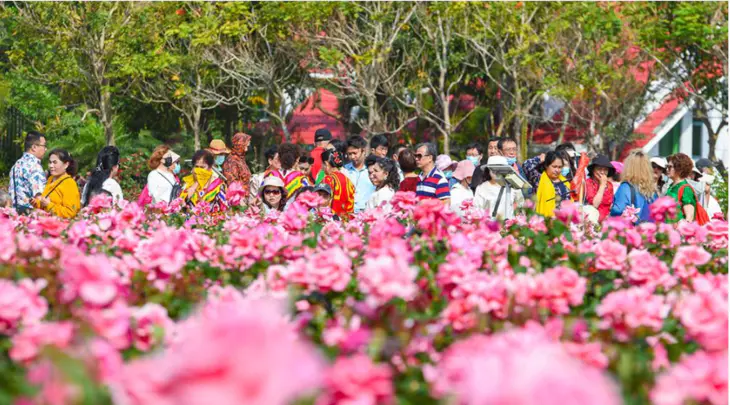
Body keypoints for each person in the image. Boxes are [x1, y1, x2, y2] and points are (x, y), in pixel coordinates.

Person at [610, 150, 657, 223]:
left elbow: (618, 211)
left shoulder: (625, 187)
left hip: (633, 228)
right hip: (651, 228)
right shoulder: (653, 190)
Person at [32, 149, 80, 219]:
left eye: (55, 162)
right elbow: (45, 202)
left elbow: (70, 213)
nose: (51, 166)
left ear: (66, 165)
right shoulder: (50, 179)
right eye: (50, 162)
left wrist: (49, 205)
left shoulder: (69, 183)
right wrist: (37, 203)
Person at [474, 156, 525, 220]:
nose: (496, 172)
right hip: (490, 224)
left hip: (509, 225)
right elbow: (477, 210)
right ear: (488, 170)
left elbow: (521, 206)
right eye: (493, 169)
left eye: (499, 168)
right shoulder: (481, 188)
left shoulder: (513, 186)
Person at [8, 131, 47, 214]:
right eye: (44, 146)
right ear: (34, 147)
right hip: (30, 215)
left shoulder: (16, 165)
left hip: (14, 214)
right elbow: (40, 197)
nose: (46, 149)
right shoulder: (35, 166)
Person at [535, 151, 572, 217]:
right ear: (546, 165)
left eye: (560, 167)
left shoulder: (565, 182)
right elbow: (527, 164)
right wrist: (539, 158)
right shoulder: (538, 179)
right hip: (550, 219)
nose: (557, 170)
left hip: (566, 218)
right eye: (554, 167)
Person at [343, 135, 375, 213]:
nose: (352, 157)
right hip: (348, 213)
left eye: (355, 153)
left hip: (367, 213)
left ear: (363, 151)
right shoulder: (344, 170)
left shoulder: (373, 170)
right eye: (349, 154)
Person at [321, 149, 355, 219]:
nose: (321, 168)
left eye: (322, 165)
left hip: (331, 220)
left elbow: (322, 202)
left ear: (326, 163)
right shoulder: (348, 180)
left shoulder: (328, 179)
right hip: (347, 220)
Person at [665, 153, 698, 222]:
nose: (667, 169)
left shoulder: (686, 189)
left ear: (680, 169)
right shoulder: (671, 186)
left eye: (670, 167)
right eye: (666, 166)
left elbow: (689, 218)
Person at [584, 155, 615, 222]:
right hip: (592, 222)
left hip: (606, 221)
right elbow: (595, 205)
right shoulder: (588, 183)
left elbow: (611, 204)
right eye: (599, 169)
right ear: (593, 170)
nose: (602, 172)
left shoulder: (609, 185)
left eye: (605, 169)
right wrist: (602, 185)